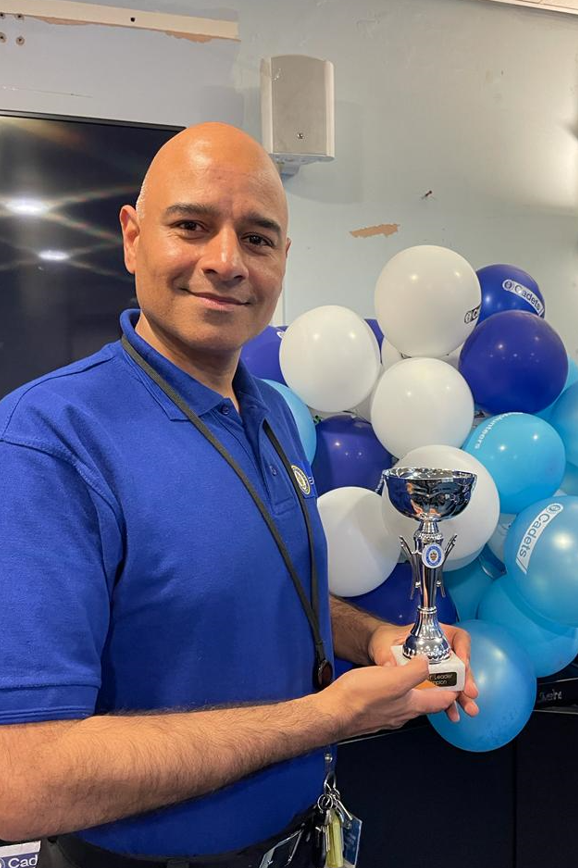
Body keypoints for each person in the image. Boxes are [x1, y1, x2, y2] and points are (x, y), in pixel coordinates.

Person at [0, 123, 478, 868]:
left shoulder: (270, 417)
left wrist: (379, 639)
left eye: (257, 239)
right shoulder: (49, 441)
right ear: (132, 237)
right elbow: (21, 779)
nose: (225, 262)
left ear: (282, 260)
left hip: (296, 839)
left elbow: (269, 592)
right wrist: (320, 720)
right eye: (191, 226)